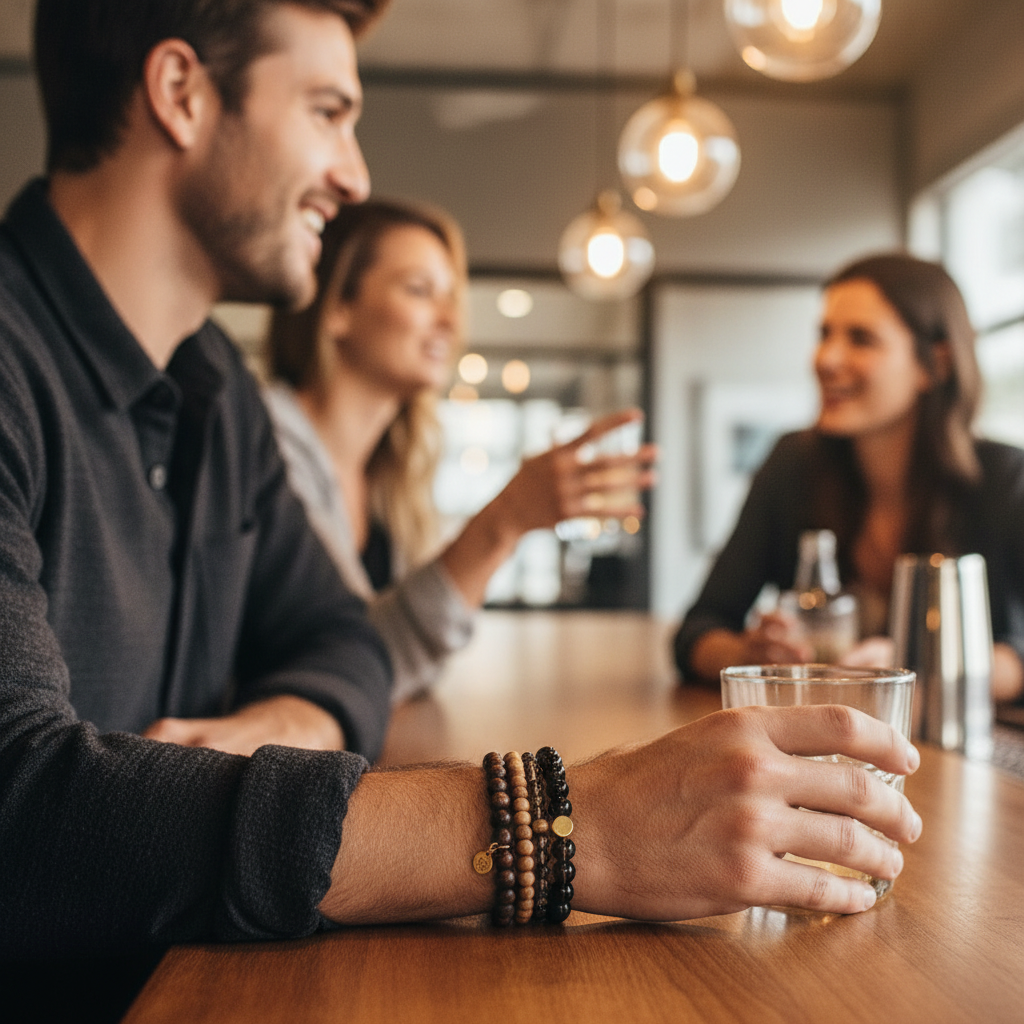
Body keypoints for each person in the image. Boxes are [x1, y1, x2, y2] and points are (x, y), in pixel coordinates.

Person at [0, 0, 921, 976]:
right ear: (181, 93)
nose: (352, 175)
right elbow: (23, 810)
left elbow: (346, 639)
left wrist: (277, 727)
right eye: (326, 111)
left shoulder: (214, 390)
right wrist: (562, 821)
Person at [262, 199, 658, 701]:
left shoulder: (387, 474)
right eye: (420, 290)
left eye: (451, 297)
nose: (451, 320)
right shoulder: (265, 444)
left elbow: (404, 664)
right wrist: (504, 521)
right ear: (337, 306)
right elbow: (347, 672)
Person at [674, 253, 1024, 706]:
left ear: (934, 364)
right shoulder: (791, 465)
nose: (826, 358)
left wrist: (909, 665)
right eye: (824, 335)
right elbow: (697, 632)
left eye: (861, 339)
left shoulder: (1005, 479)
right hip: (821, 753)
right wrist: (753, 655)